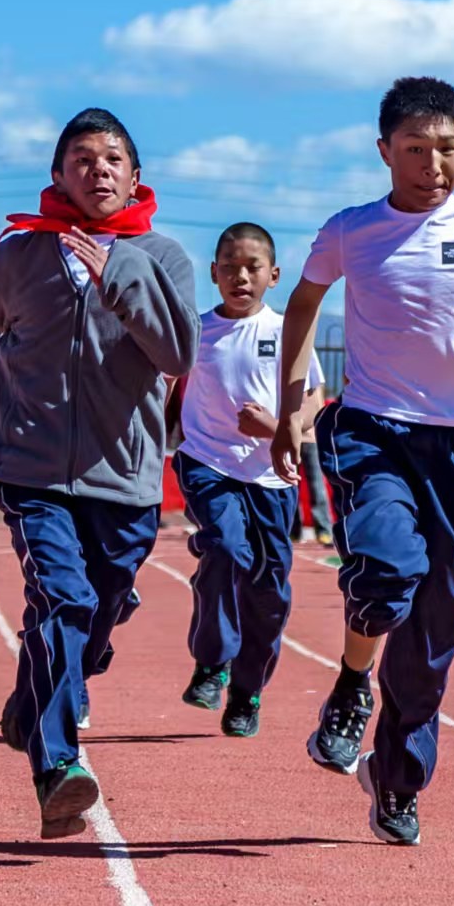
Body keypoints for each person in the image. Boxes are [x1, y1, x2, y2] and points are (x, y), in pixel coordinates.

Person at [272, 76, 454, 847]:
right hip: (372, 428)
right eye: (417, 150)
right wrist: (295, 398)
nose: (433, 165)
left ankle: (395, 781)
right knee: (388, 571)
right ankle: (354, 682)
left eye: (448, 150)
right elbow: (302, 304)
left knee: (433, 636)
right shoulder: (352, 229)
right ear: (385, 150)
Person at [0, 106, 199, 840]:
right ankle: (59, 766)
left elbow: (178, 351)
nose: (99, 171)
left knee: (97, 607)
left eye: (114, 159)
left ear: (136, 176)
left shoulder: (163, 258)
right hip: (30, 467)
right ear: (58, 176)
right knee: (61, 598)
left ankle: (32, 705)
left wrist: (117, 274)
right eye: (83, 160)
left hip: (125, 478)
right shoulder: (19, 258)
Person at [169, 222, 323, 738]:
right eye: (230, 266)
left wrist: (279, 428)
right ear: (213, 273)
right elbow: (164, 382)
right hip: (208, 463)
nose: (240, 276)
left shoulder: (285, 332)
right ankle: (212, 663)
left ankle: (247, 692)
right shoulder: (195, 330)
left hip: (272, 476)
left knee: (268, 594)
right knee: (225, 549)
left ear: (273, 275)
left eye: (252, 267)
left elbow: (314, 403)